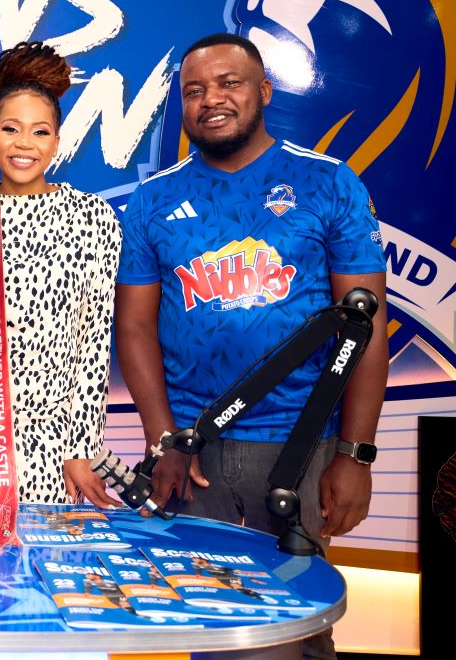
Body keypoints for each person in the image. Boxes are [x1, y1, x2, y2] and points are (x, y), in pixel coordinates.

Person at [115, 33, 388, 660]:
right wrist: (164, 440)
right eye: (194, 90)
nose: (211, 99)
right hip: (195, 451)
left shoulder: (328, 183)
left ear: (263, 91)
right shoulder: (154, 199)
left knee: (298, 624)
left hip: (301, 446)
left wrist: (356, 455)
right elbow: (134, 328)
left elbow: (366, 326)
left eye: (229, 83)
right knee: (211, 623)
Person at [0, 42, 119, 508]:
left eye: (40, 132)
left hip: (53, 442)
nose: (24, 144)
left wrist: (82, 448)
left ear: (56, 141)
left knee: (44, 551)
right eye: (10, 129)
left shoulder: (92, 217)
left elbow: (93, 342)